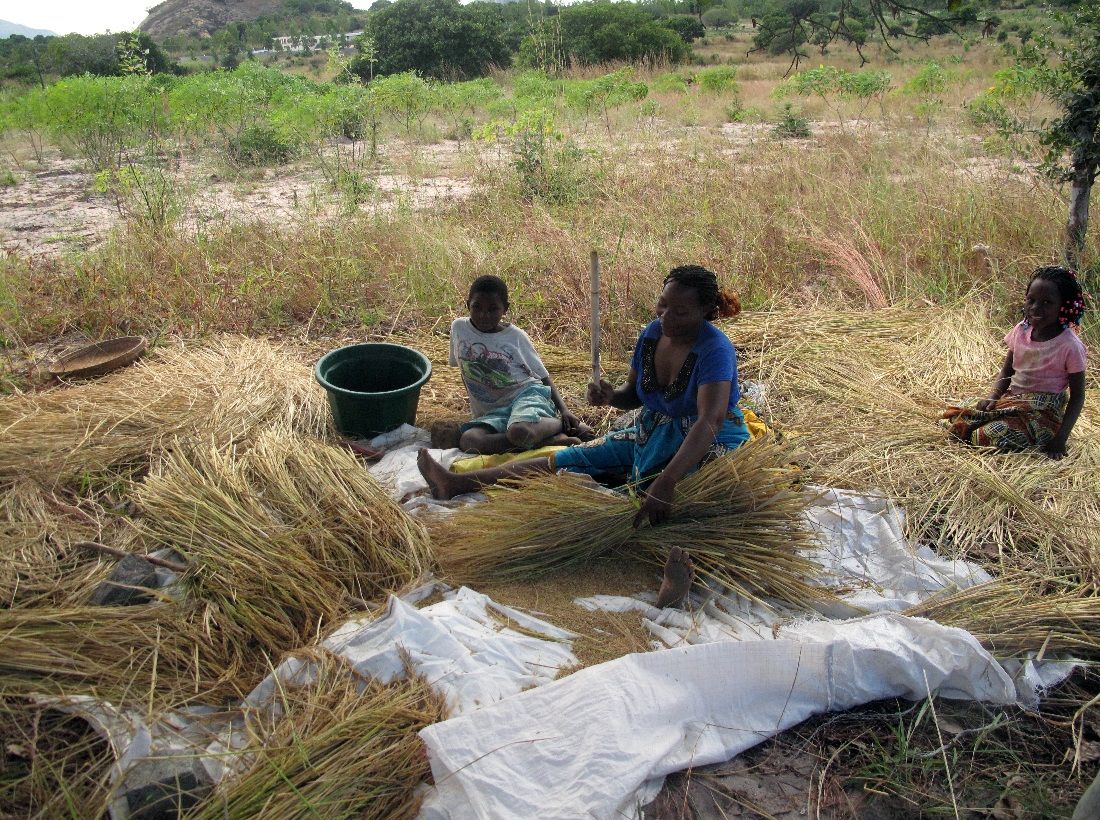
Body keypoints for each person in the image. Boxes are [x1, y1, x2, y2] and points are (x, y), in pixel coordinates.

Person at [419, 264, 751, 606]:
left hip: (707, 440)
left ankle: (672, 582)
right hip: (654, 428)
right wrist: (611, 398)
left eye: (680, 312)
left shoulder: (715, 350)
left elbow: (709, 420)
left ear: (705, 312)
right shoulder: (653, 335)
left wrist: (668, 480)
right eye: (663, 305)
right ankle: (458, 484)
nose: (666, 318)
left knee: (668, 500)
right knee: (575, 457)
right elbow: (635, 395)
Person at [943, 265, 1087, 459]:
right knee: (955, 414)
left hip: (1043, 414)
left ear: (1064, 306)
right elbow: (1006, 372)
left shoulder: (1070, 345)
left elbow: (1078, 397)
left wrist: (1060, 440)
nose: (1036, 308)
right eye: (1031, 300)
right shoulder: (1021, 331)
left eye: (1047, 302)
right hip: (1012, 401)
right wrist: (993, 397)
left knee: (983, 437)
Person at [451, 274, 589, 455]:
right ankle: (548, 441)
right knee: (469, 440)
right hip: (495, 412)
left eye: (493, 309)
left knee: (519, 431)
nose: (484, 315)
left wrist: (564, 411)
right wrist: (479, 413)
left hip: (525, 398)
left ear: (505, 309)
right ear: (467, 304)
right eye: (477, 307)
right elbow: (465, 371)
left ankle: (560, 425)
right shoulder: (459, 328)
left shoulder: (514, 337)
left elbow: (543, 376)